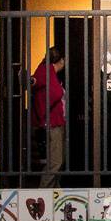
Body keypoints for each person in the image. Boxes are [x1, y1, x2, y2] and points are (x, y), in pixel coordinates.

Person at [32, 45, 66, 187]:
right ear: (61, 60)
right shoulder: (46, 71)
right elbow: (56, 93)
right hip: (52, 122)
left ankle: (54, 193)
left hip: (55, 121)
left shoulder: (45, 71)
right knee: (56, 162)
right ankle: (44, 192)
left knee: (57, 160)